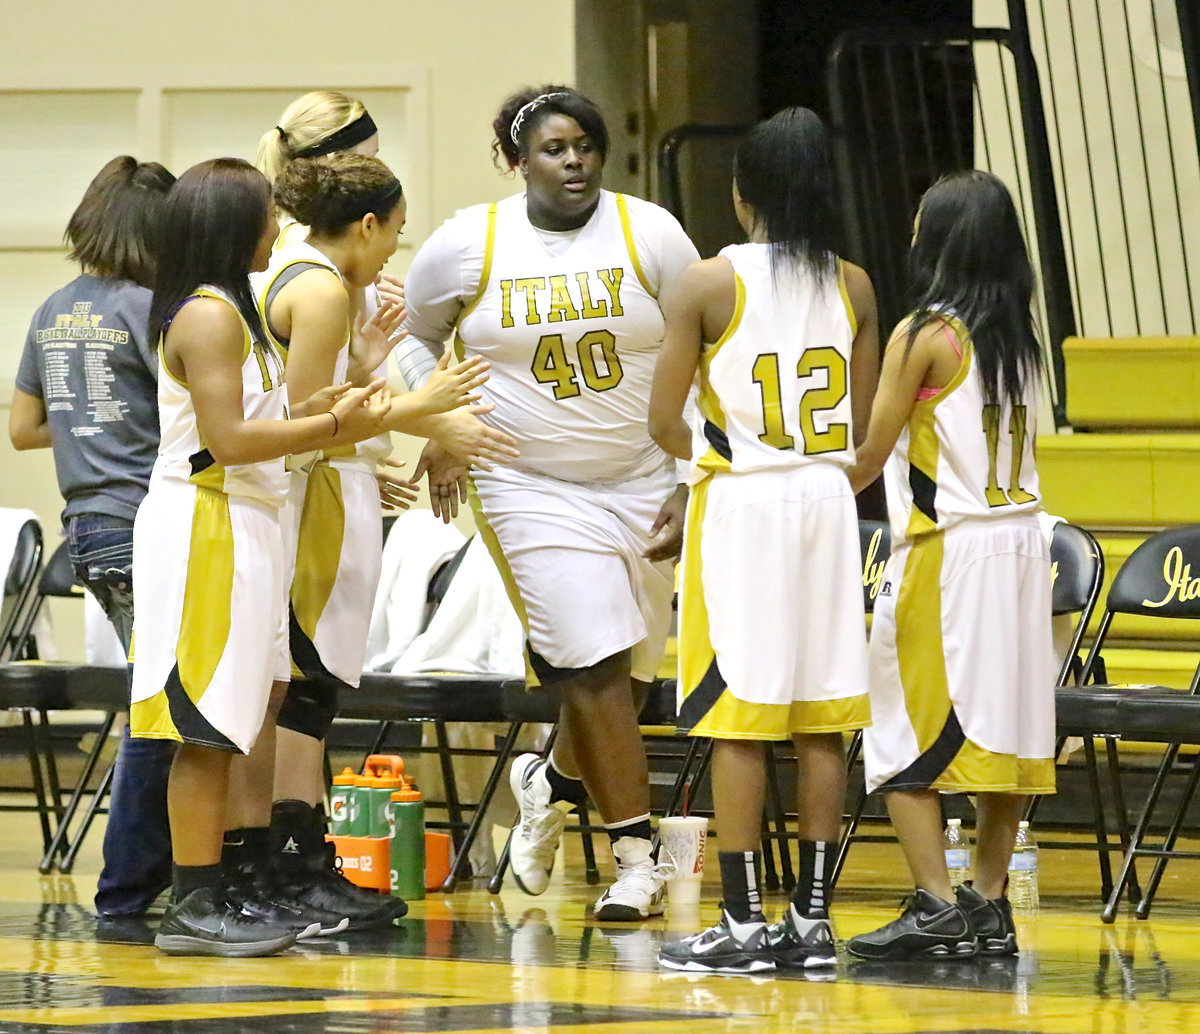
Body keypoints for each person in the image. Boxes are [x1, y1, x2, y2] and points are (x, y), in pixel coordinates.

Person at [400, 86, 700, 918]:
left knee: (626, 681)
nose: (574, 161)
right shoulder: (470, 242)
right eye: (554, 149)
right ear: (515, 160)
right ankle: (634, 858)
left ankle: (548, 779)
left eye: (585, 146)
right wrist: (441, 416)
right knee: (594, 665)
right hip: (523, 479)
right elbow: (409, 336)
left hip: (642, 475)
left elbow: (714, 340)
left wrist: (689, 474)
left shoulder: (653, 232)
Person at [129, 157, 401, 957]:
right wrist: (332, 428)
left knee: (252, 706)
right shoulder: (207, 317)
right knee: (205, 721)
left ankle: (235, 888)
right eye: (266, 216)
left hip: (249, 518)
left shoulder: (236, 308)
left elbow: (281, 413)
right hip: (204, 521)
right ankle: (194, 900)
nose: (278, 229)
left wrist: (365, 372)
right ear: (230, 226)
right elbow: (234, 441)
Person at [648, 108, 879, 974]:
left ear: (742, 195)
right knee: (821, 722)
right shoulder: (854, 285)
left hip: (743, 502)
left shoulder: (706, 284)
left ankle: (742, 926)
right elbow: (858, 430)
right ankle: (813, 925)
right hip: (826, 499)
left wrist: (719, 458)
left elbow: (664, 421)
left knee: (738, 719)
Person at [244, 151, 490, 929]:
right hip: (308, 501)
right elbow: (315, 424)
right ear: (368, 223)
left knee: (311, 687)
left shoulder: (315, 278)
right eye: (396, 234)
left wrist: (374, 383)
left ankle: (298, 859)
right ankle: (293, 863)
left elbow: (331, 418)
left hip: (326, 489)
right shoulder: (315, 285)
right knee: (303, 687)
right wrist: (426, 406)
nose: (395, 251)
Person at [843, 170, 1055, 961]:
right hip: (1022, 547)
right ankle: (989, 900)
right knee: (1008, 731)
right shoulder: (1021, 338)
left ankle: (936, 902)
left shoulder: (924, 334)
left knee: (902, 734)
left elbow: (867, 458)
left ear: (941, 237)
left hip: (950, 551)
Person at [10, 156, 178, 921]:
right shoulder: (152, 308)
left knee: (161, 695)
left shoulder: (53, 309)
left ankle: (146, 880)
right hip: (150, 521)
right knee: (165, 705)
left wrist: (89, 426)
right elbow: (188, 414)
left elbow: (25, 429)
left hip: (88, 529)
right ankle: (129, 889)